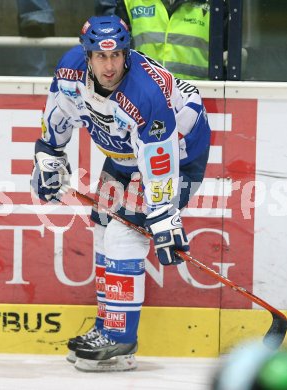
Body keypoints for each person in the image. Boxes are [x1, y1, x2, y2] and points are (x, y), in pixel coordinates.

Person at [31, 15, 210, 372]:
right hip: (125, 153)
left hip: (178, 153)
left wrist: (163, 215)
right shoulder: (70, 71)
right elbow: (58, 115)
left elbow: (160, 163)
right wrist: (50, 156)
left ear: (126, 53)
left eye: (116, 56)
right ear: (87, 55)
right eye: (100, 56)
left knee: (123, 233)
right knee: (101, 226)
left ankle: (120, 335)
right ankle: (106, 328)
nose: (109, 65)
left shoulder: (144, 94)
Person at [95, 0, 211, 80]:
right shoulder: (128, 2)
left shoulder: (214, 5)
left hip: (201, 95)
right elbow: (112, 49)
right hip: (142, 97)